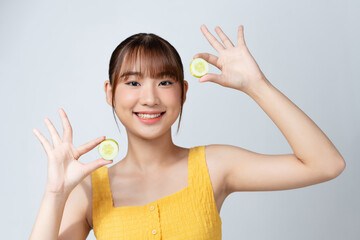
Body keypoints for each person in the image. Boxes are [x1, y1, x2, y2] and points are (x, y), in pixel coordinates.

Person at [29, 24, 346, 240]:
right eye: (133, 82)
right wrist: (55, 194)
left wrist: (257, 86)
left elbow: (326, 164)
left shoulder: (215, 166)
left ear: (183, 91)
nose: (150, 98)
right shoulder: (89, 189)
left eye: (164, 82)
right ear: (109, 93)